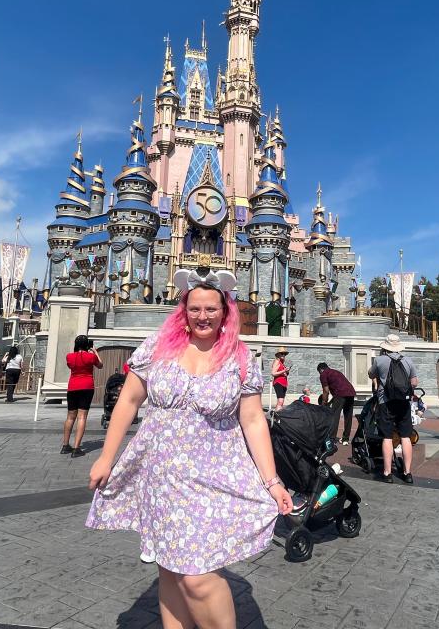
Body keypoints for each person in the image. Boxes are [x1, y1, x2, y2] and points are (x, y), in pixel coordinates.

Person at [86, 267, 291, 629]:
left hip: (213, 477)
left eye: (211, 309)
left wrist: (272, 481)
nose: (202, 316)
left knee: (196, 576)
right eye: (195, 309)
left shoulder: (240, 359)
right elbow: (129, 400)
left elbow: (254, 420)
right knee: (170, 568)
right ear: (183, 310)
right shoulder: (157, 348)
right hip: (160, 474)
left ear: (225, 311)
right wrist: (106, 457)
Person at [368, 334, 418, 484]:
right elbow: (414, 382)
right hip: (403, 402)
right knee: (405, 436)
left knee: (387, 437)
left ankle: (387, 472)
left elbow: (371, 374)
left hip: (386, 402)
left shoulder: (380, 360)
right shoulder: (408, 360)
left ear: (385, 347)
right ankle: (408, 473)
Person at [62, 335, 103, 457]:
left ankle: (65, 445)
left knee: (70, 416)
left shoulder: (69, 357)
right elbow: (100, 365)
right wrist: (95, 352)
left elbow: (71, 366)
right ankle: (76, 448)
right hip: (86, 386)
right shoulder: (91, 357)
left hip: (73, 386)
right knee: (82, 417)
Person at [318, 362, 356, 445]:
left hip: (340, 394)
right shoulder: (336, 372)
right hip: (351, 393)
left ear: (321, 370)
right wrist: (330, 402)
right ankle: (345, 439)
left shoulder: (323, 374)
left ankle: (331, 438)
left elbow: (326, 390)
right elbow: (340, 386)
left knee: (334, 416)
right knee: (348, 416)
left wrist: (324, 403)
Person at [271, 347, 290, 412]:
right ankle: (277, 417)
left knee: (281, 401)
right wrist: (283, 371)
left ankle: (277, 416)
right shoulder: (277, 361)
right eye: (282, 353)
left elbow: (283, 374)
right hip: (278, 383)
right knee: (280, 401)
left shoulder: (282, 363)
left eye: (284, 354)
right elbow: (273, 373)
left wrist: (286, 372)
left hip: (283, 384)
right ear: (278, 354)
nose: (283, 355)